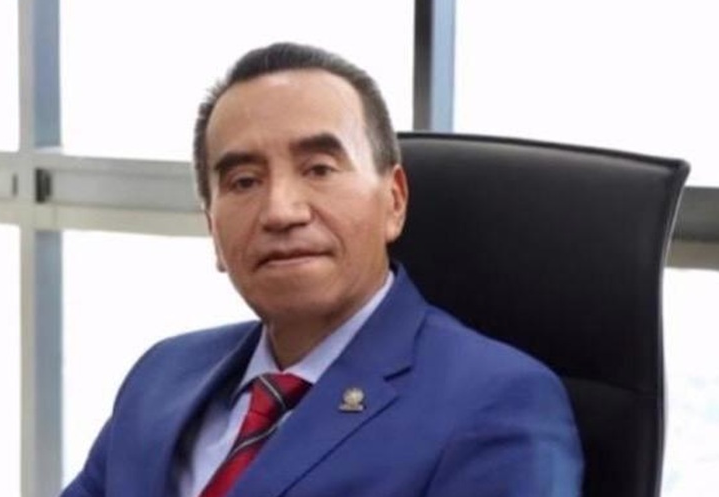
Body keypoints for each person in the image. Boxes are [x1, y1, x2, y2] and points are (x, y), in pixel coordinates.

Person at [62, 42, 583, 497]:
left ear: (394, 201)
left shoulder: (497, 402)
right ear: (213, 230)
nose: (281, 211)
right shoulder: (162, 373)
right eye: (244, 181)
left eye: (319, 169)